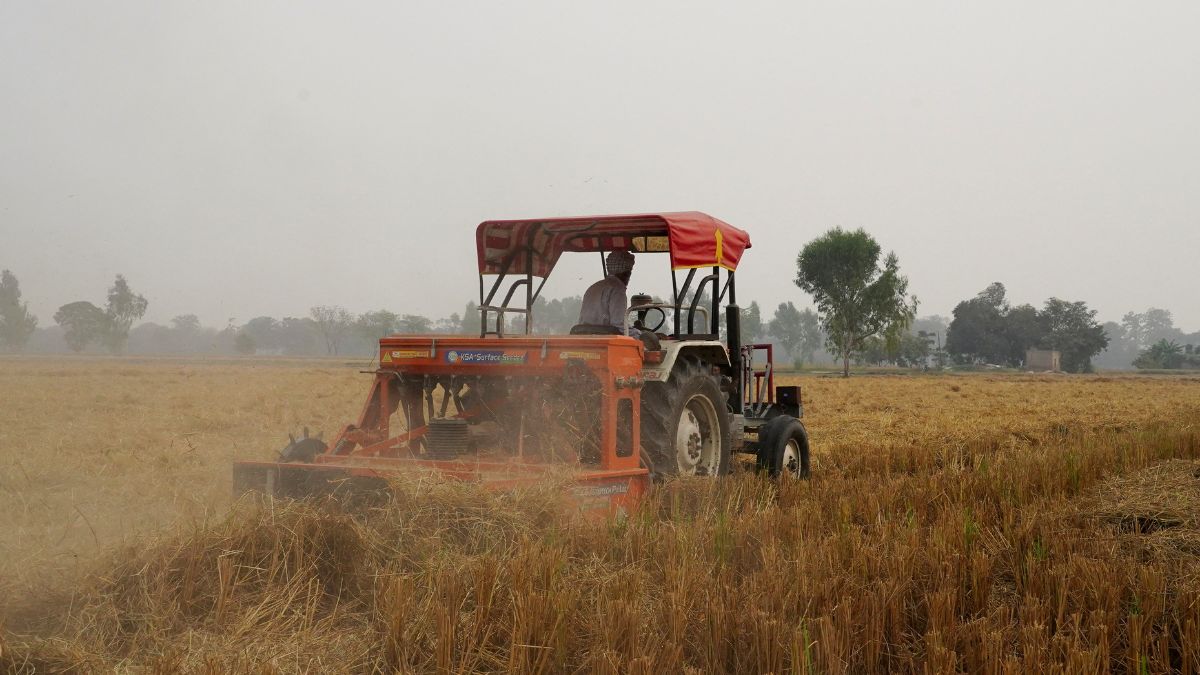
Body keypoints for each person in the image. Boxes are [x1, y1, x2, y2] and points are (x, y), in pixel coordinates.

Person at [577, 250, 637, 335]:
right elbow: (620, 326)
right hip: (606, 339)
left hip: (584, 338)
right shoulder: (618, 290)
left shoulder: (592, 288)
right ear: (627, 273)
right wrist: (641, 334)